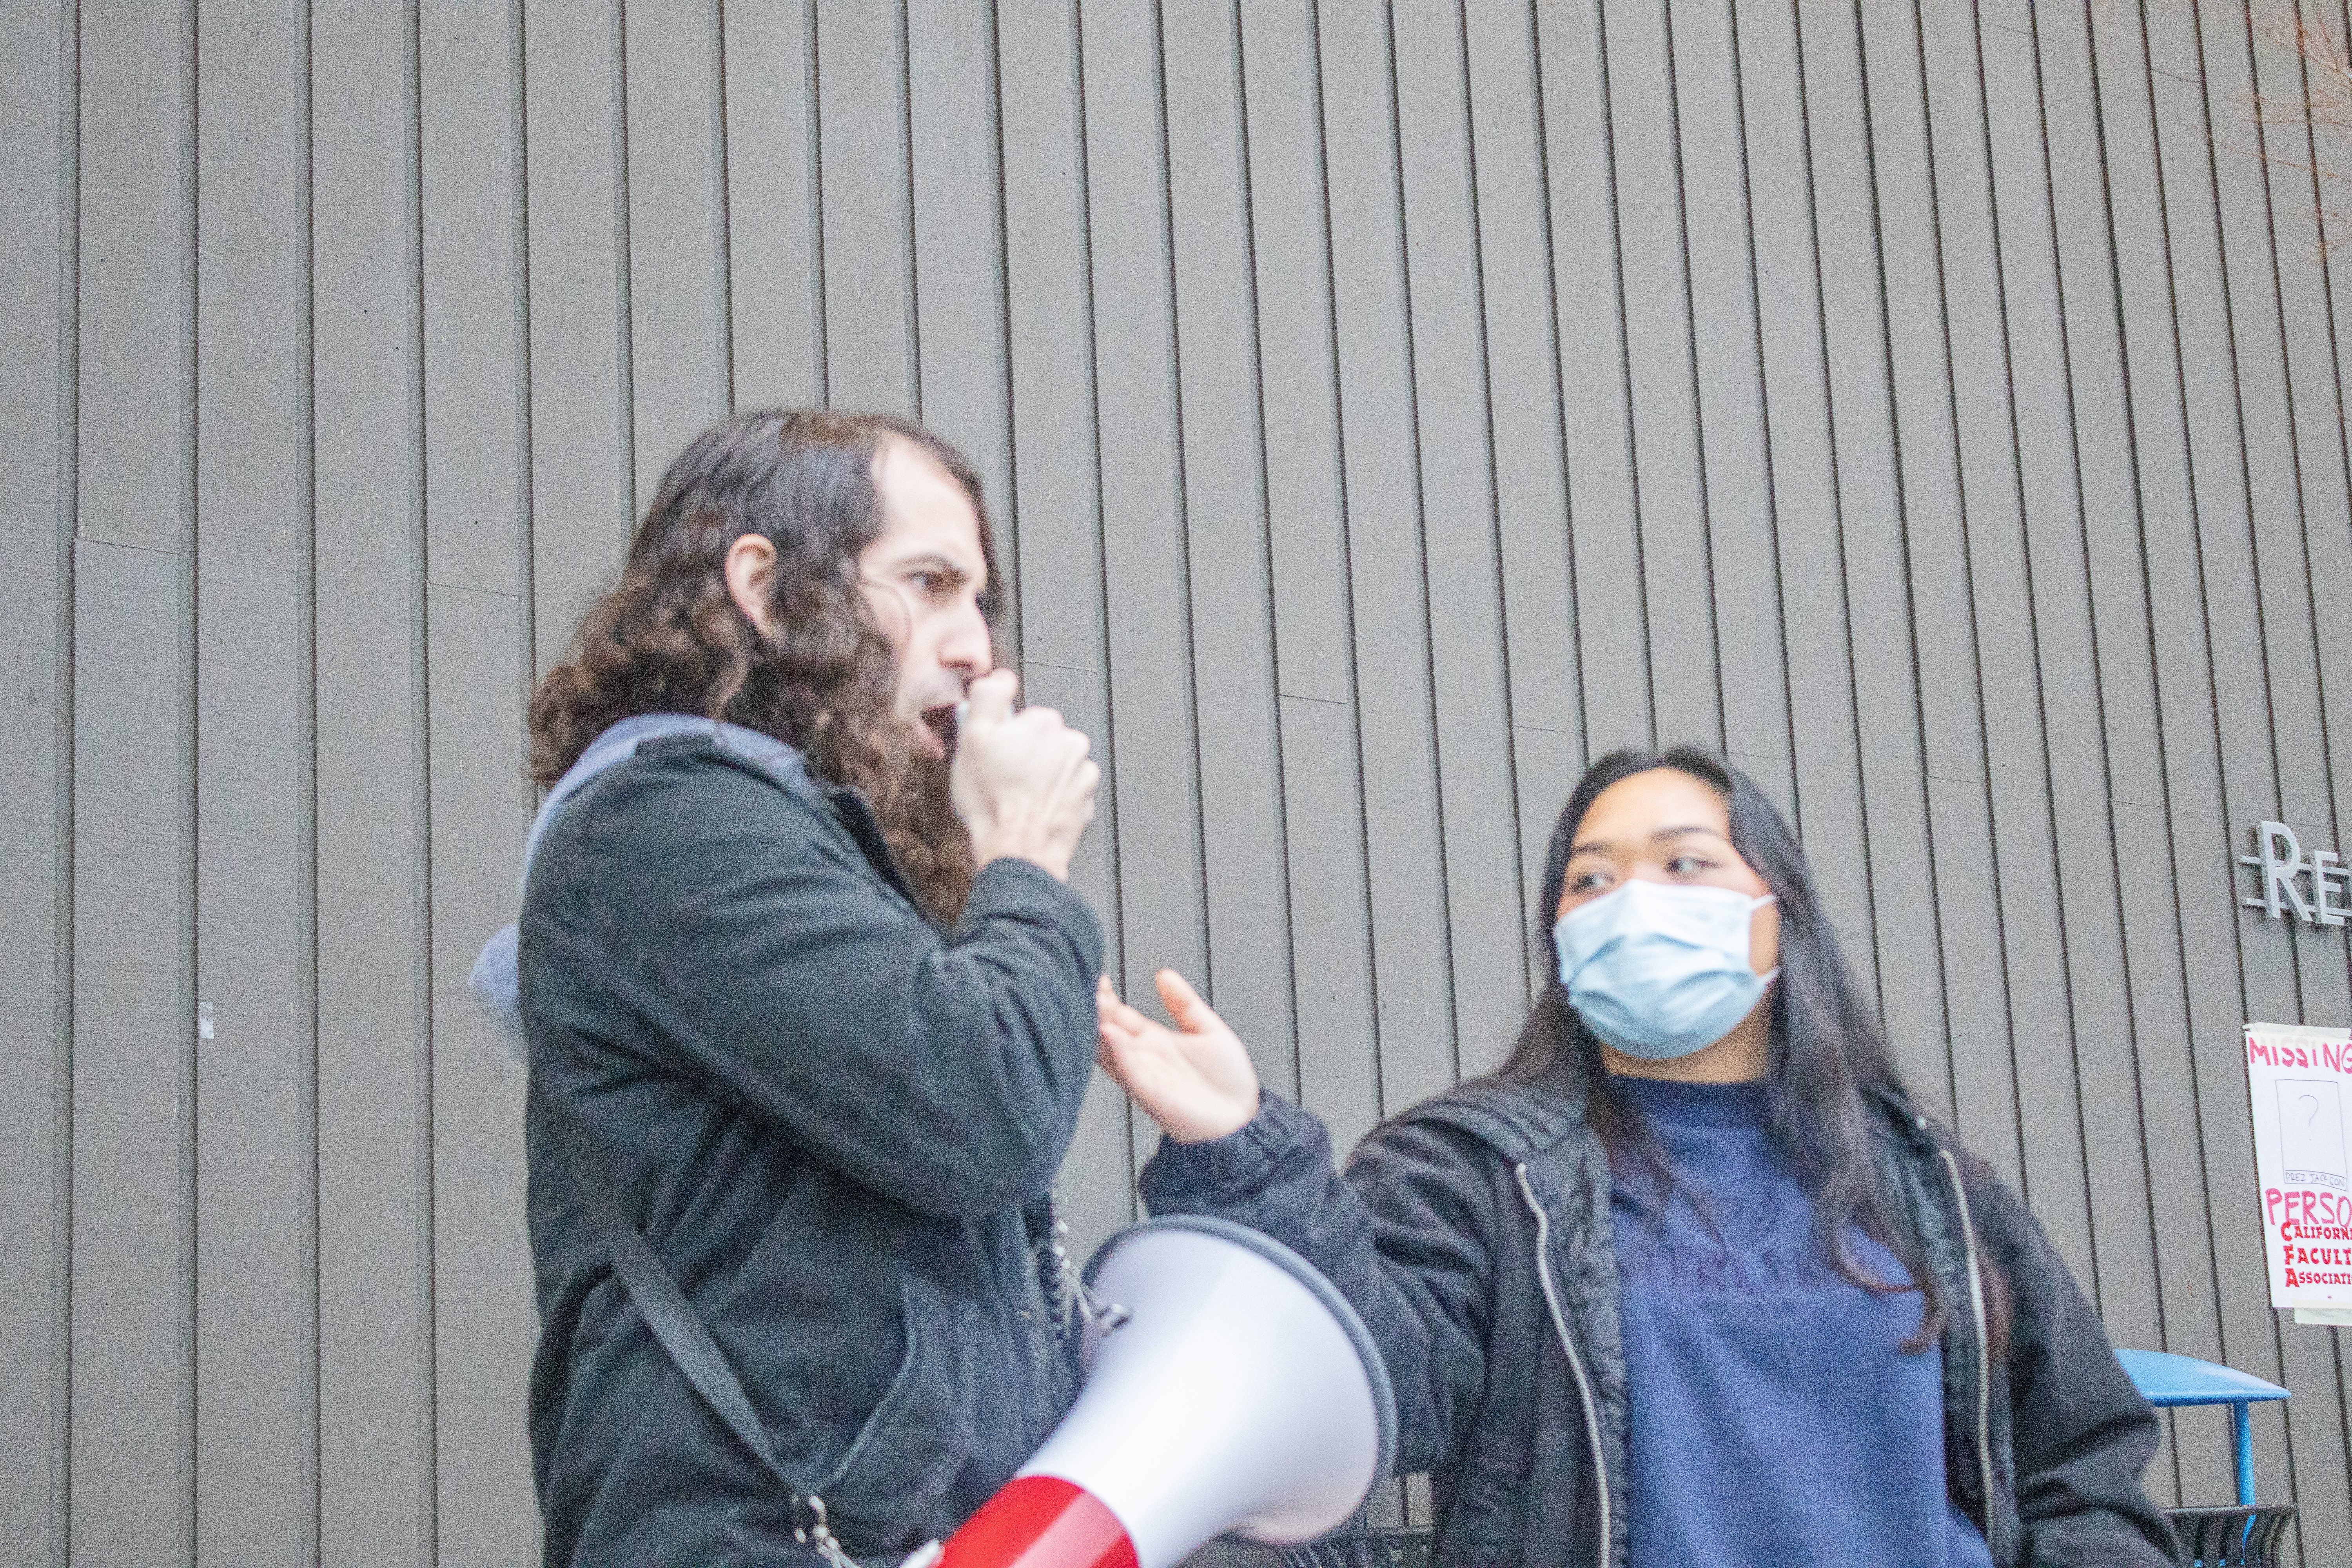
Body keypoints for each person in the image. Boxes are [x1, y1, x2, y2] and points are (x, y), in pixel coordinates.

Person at [1097, 747, 2176, 1568]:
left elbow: (2082, 1462)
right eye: (1591, 881)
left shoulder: (1929, 1184)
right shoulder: (1476, 1173)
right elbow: (1379, 1388)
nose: (1632, 903)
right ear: (1558, 940)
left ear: (1777, 913)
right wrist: (1245, 1152)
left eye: (1685, 864)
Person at [503, 409, 1104, 1567]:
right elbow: (985, 1106)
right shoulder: (661, 820)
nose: (978, 649)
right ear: (763, 586)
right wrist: (1023, 859)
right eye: (929, 584)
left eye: (980, 601)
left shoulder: (814, 860)